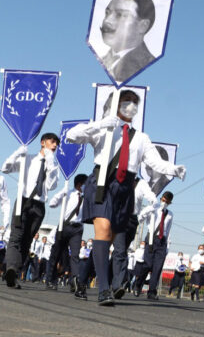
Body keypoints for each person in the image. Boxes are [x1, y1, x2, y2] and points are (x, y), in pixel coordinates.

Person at [67, 90, 185, 305]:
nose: (130, 106)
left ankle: (82, 280)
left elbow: (154, 162)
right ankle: (104, 290)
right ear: (115, 105)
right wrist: (101, 124)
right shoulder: (103, 128)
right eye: (126, 102)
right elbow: (71, 136)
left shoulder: (141, 137)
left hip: (125, 189)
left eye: (134, 103)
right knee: (102, 232)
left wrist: (174, 169)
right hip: (103, 182)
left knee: (107, 240)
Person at [2, 133, 60, 288]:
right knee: (16, 237)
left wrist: (50, 160)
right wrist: (17, 153)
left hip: (39, 206)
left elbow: (52, 185)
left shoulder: (53, 165)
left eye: (56, 144)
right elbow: (5, 168)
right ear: (43, 142)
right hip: (24, 201)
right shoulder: (28, 159)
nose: (54, 145)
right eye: (52, 141)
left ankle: (13, 273)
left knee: (27, 240)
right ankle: (12, 269)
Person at [111, 177, 157, 299]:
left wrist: (153, 200)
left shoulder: (141, 183)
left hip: (132, 220)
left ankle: (108, 277)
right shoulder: (119, 179)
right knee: (120, 251)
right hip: (118, 218)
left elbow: (149, 194)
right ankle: (117, 285)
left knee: (120, 252)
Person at [99, 0, 156, 83]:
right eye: (107, 12)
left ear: (143, 26)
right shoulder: (101, 59)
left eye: (120, 15)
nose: (107, 21)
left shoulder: (148, 66)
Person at [45, 174, 88, 290]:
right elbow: (52, 204)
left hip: (77, 229)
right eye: (86, 184)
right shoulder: (68, 193)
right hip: (64, 226)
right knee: (56, 254)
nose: (87, 186)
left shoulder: (86, 198)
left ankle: (74, 281)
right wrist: (62, 193)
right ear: (79, 184)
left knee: (75, 255)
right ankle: (50, 280)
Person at [136, 191, 174, 300]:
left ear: (170, 202)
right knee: (148, 265)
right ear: (161, 198)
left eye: (167, 202)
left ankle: (151, 291)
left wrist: (168, 245)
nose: (164, 202)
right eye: (163, 200)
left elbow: (168, 230)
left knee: (157, 268)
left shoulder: (170, 214)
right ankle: (138, 283)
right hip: (152, 238)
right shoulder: (153, 208)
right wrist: (149, 209)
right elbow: (140, 218)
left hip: (162, 241)